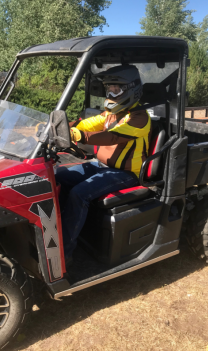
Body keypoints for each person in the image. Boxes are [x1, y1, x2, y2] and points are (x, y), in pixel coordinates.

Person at [55, 65, 151, 264]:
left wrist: (79, 136)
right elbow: (88, 124)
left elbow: (111, 137)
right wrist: (65, 128)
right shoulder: (111, 113)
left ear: (131, 89)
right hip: (102, 166)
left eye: (116, 90)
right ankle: (63, 227)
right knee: (59, 176)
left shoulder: (139, 118)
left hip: (126, 173)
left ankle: (64, 252)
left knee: (79, 193)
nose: (110, 94)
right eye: (109, 89)